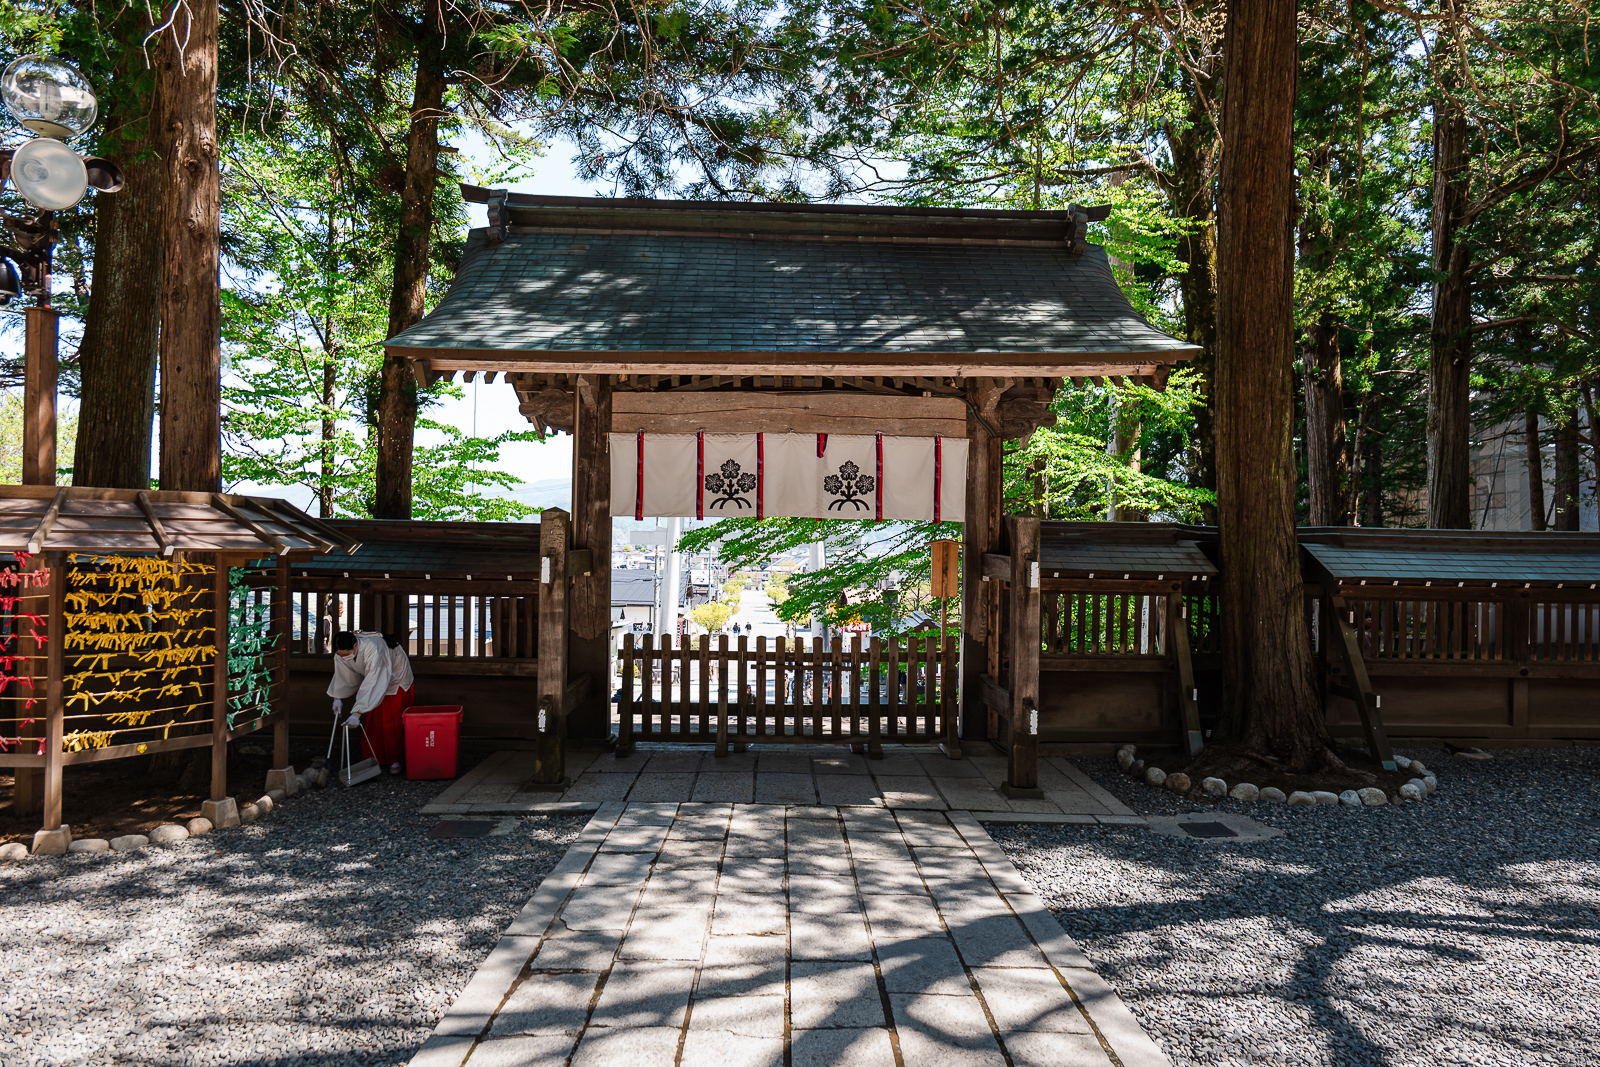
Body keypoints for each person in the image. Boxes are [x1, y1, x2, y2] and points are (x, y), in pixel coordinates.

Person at [328, 631, 397, 773]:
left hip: (396, 681)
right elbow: (342, 674)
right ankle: (377, 759)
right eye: (340, 655)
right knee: (374, 723)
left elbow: (374, 680)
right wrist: (337, 697)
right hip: (375, 682)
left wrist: (357, 712)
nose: (344, 658)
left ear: (354, 645)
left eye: (346, 654)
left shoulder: (374, 648)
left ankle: (395, 759)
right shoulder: (343, 652)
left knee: (390, 722)